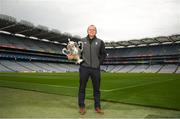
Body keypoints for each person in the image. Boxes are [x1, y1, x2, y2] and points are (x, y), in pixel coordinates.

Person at [68, 25, 106, 115]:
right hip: (84, 67)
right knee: (82, 88)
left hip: (95, 69)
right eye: (90, 29)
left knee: (96, 89)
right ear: (87, 31)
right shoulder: (82, 41)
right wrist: (72, 56)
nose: (91, 31)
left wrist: (98, 63)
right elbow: (78, 53)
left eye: (93, 30)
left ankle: (97, 107)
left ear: (96, 31)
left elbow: (103, 54)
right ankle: (81, 107)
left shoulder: (100, 42)